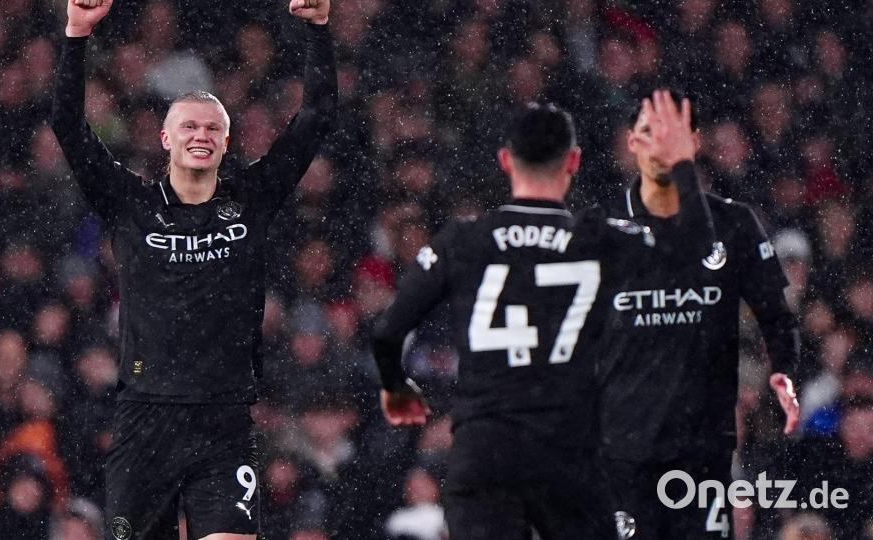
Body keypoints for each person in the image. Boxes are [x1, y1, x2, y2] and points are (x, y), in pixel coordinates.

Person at [48, 0, 336, 538]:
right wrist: (76, 34)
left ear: (227, 142)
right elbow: (67, 124)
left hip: (224, 421)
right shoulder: (129, 203)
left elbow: (317, 117)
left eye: (212, 127)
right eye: (188, 126)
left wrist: (318, 29)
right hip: (144, 421)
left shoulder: (252, 198)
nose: (200, 134)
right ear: (165, 139)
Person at [372, 91, 711, 540]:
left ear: (505, 161)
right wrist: (678, 167)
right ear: (573, 162)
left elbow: (387, 332)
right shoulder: (597, 239)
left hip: (485, 450)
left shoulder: (463, 240)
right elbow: (695, 250)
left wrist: (396, 388)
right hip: (567, 451)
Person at [594, 91, 801, 540]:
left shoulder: (734, 224)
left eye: (674, 135)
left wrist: (785, 367)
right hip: (623, 452)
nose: (663, 146)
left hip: (703, 450)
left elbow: (776, 314)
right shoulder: (600, 229)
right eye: (651, 133)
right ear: (631, 143)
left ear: (695, 144)